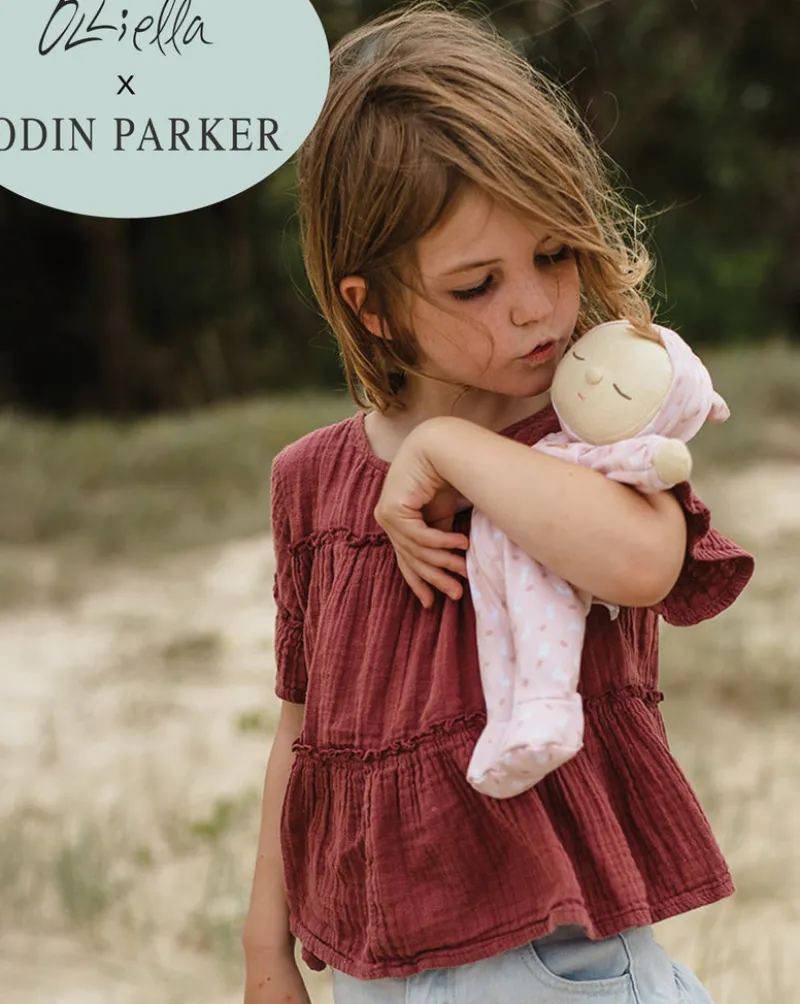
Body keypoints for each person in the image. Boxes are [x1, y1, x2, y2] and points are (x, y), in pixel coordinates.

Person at [241, 4, 755, 1003]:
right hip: (371, 963)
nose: (531, 305)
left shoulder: (589, 433)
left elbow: (642, 562)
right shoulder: (311, 481)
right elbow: (301, 729)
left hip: (552, 960)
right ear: (370, 305)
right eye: (475, 285)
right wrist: (266, 941)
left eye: (553, 255)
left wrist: (450, 447)